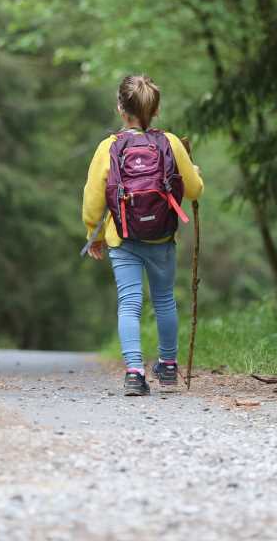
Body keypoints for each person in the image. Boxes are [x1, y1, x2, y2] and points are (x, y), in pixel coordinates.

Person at [82, 75, 203, 396]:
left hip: (123, 237)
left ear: (121, 110)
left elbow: (93, 198)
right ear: (156, 109)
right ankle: (168, 367)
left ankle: (134, 372)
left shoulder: (109, 147)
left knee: (129, 303)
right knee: (163, 300)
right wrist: (195, 173)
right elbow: (193, 189)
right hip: (161, 237)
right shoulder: (171, 143)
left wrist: (93, 234)